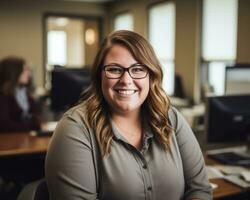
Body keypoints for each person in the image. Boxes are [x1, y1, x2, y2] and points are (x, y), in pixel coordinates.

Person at [45, 30, 212, 200]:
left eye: (138, 69)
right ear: (99, 75)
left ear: (151, 75)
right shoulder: (75, 128)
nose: (126, 80)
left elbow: (200, 189)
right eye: (115, 69)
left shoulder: (171, 118)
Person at [0, 56, 41, 132]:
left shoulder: (24, 92)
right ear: (13, 72)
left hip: (24, 138)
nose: (28, 73)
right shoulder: (3, 95)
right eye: (24, 70)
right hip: (7, 141)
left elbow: (36, 118)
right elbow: (4, 125)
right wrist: (32, 126)